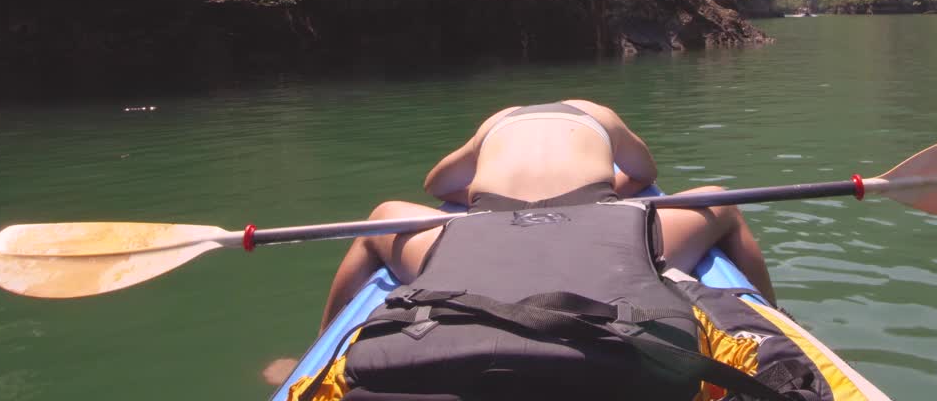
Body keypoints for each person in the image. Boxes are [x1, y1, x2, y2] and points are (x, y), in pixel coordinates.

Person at [316, 99, 776, 333]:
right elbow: (645, 175)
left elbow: (436, 186)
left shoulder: (495, 124)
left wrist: (477, 194)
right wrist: (608, 191)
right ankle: (776, 318)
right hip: (599, 222)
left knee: (380, 220)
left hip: (488, 224)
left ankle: (315, 349)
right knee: (721, 201)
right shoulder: (601, 116)